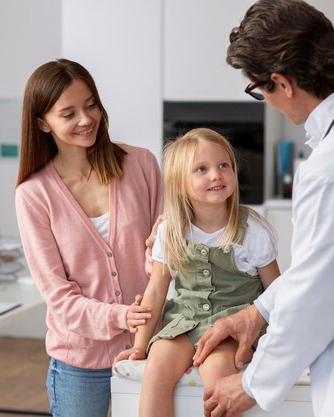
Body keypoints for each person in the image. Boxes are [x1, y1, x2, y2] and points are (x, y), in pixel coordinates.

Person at [192, 1, 334, 416]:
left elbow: (316, 294)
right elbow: (330, 264)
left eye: (259, 90)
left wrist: (253, 383)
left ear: (282, 83)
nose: (266, 102)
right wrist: (259, 310)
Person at [14, 58, 164, 417]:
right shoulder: (34, 195)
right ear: (42, 123)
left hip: (152, 350)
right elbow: (60, 299)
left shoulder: (140, 164)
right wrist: (122, 316)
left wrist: (161, 249)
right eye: (68, 114)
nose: (86, 119)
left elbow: (165, 259)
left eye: (91, 104)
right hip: (79, 361)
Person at [113, 128, 280, 417]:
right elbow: (155, 290)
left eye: (223, 165)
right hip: (184, 321)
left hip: (231, 325)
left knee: (216, 370)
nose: (216, 174)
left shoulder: (253, 229)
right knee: (157, 365)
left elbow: (277, 291)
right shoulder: (170, 230)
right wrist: (139, 347)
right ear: (179, 184)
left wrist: (274, 344)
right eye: (202, 169)